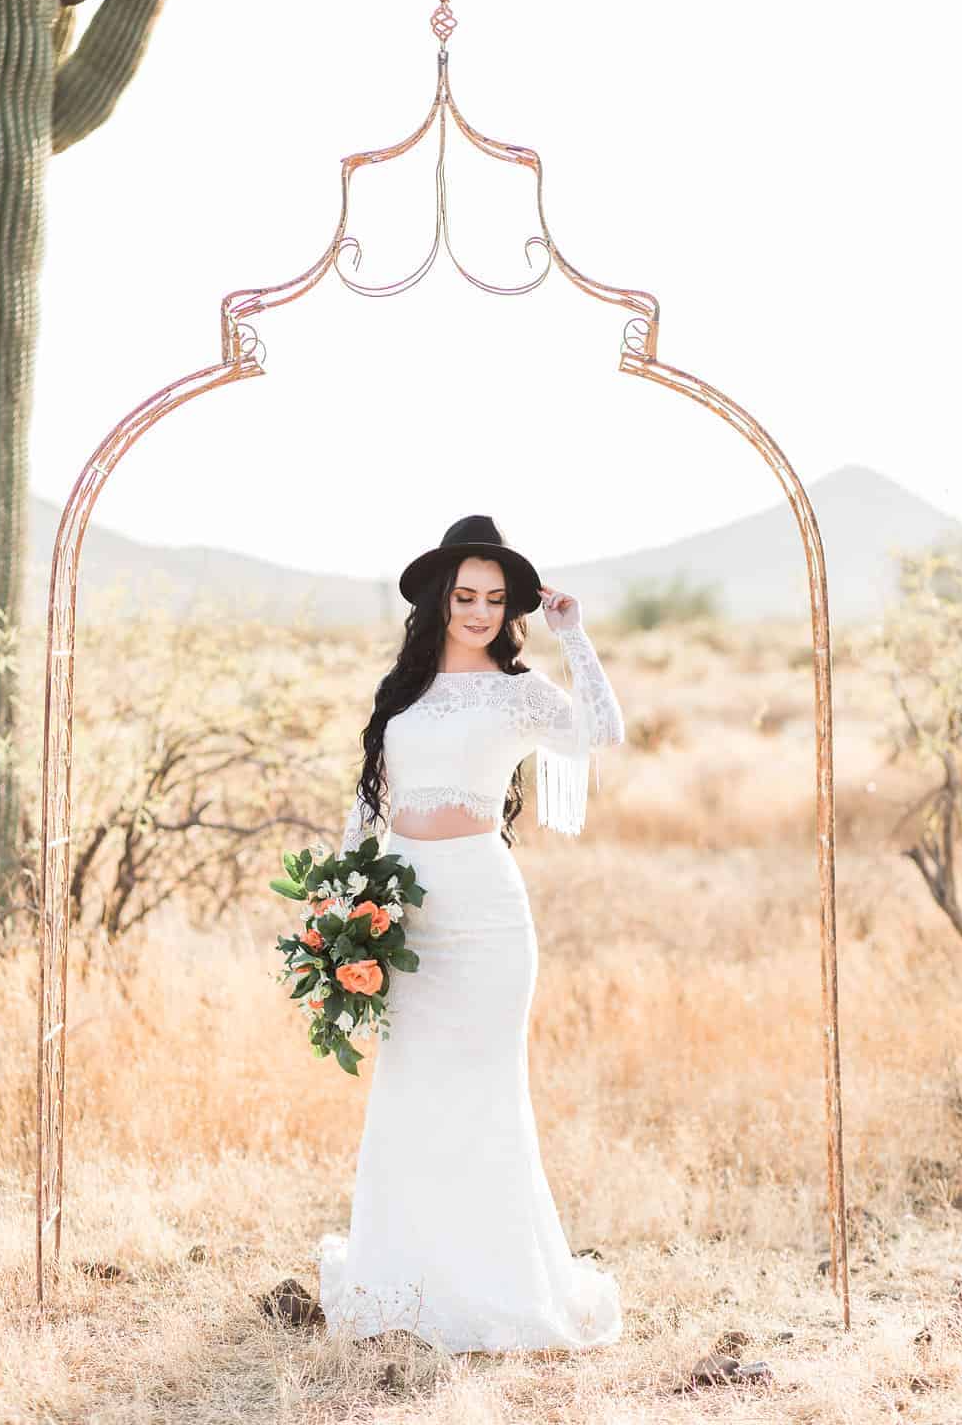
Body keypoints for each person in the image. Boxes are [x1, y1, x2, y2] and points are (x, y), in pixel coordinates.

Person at [315, 513, 626, 1354]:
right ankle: (405, 1284)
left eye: (494, 598)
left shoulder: (522, 692)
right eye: (466, 595)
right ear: (440, 600)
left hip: (488, 915)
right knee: (411, 1090)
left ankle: (499, 1291)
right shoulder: (403, 693)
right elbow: (367, 804)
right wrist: (341, 904)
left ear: (510, 607)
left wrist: (576, 637)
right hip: (404, 911)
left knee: (486, 1094)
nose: (480, 610)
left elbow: (601, 734)